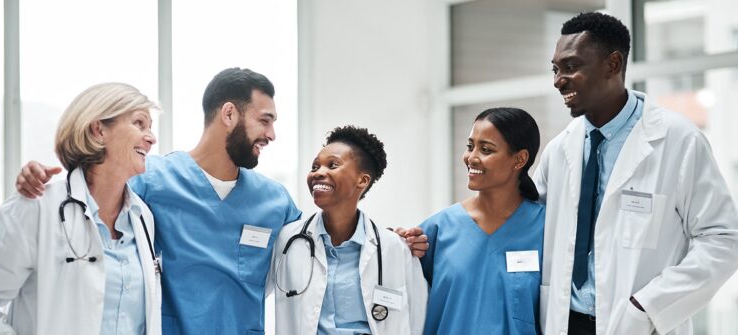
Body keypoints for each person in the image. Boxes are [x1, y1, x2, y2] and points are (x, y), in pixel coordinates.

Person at [14, 68, 301, 334]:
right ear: (229, 114)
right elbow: (87, 194)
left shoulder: (276, 202)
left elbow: (318, 255)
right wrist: (36, 174)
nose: (271, 135)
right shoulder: (149, 180)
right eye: (264, 121)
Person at [538, 12, 738, 334]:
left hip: (638, 325)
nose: (558, 80)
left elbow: (723, 240)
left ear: (612, 65)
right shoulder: (559, 150)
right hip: (564, 322)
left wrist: (647, 306)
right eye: (556, 69)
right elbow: (524, 222)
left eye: (571, 67)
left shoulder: (679, 141)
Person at [0, 82, 162, 334]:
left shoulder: (142, 218)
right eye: (139, 123)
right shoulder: (37, 208)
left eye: (150, 127)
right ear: (98, 130)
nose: (151, 138)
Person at [268, 126, 428, 335]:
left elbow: (418, 320)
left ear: (362, 180)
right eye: (315, 167)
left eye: (332, 165)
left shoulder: (395, 248)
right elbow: (251, 290)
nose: (318, 173)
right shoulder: (288, 240)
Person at [419, 107, 544, 334]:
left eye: (485, 149)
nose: (471, 157)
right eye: (470, 147)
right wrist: (395, 244)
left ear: (519, 159)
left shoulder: (545, 228)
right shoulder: (437, 230)